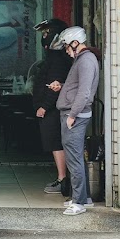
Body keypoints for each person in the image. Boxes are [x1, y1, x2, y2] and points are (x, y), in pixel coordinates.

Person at [53, 26, 99, 216]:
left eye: (66, 46)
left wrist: (72, 115)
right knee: (76, 157)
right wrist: (63, 87)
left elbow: (84, 92)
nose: (66, 51)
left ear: (75, 43)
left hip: (75, 116)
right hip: (75, 113)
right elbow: (78, 88)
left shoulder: (86, 60)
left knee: (74, 158)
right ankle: (84, 198)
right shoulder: (83, 60)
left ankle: (78, 202)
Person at [31, 18, 72, 195]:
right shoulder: (54, 56)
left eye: (47, 33)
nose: (45, 36)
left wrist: (44, 107)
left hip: (53, 109)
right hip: (51, 108)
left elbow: (54, 86)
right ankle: (62, 178)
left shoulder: (58, 59)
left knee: (56, 143)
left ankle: (62, 179)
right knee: (54, 143)